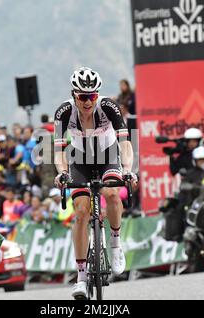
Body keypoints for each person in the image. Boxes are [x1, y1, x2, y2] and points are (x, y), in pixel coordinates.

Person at [53, 67, 137, 299]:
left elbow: (125, 143)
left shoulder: (109, 107)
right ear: (74, 95)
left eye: (92, 96)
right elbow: (59, 150)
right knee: (80, 212)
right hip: (79, 160)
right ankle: (80, 278)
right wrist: (61, 172)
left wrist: (128, 170)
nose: (88, 101)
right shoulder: (64, 112)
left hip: (107, 156)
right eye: (83, 96)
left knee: (111, 193)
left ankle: (115, 243)